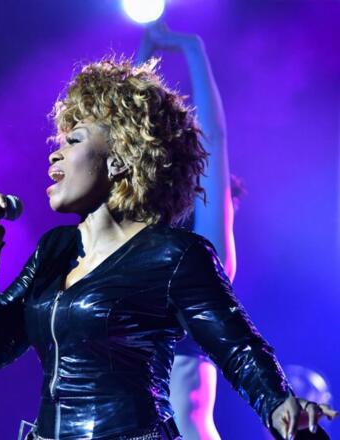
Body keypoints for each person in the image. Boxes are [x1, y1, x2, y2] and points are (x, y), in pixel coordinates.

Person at [0, 57, 337, 440]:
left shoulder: (173, 255)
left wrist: (277, 403)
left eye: (74, 140)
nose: (55, 152)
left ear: (119, 161)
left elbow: (238, 348)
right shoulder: (54, 249)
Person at [136, 23, 235, 440]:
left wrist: (192, 49)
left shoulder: (207, 260)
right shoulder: (132, 258)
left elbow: (214, 139)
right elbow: (124, 138)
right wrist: (140, 65)